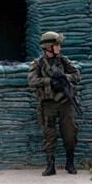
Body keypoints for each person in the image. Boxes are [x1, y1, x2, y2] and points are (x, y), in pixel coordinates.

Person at [27, 31, 81, 176]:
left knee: (70, 133)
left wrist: (64, 77)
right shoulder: (38, 64)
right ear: (48, 47)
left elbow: (77, 75)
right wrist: (50, 81)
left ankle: (70, 163)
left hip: (65, 103)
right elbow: (32, 81)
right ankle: (50, 165)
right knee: (49, 135)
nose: (59, 48)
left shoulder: (63, 61)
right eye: (57, 45)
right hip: (48, 104)